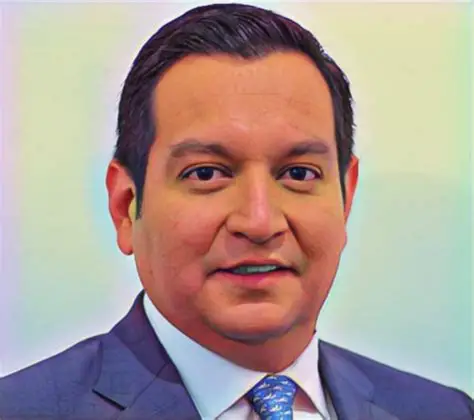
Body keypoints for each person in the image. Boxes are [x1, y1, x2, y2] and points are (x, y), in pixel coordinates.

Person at [0, 3, 472, 420]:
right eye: (207, 174)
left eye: (299, 173)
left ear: (345, 198)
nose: (260, 222)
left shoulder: (442, 411)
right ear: (126, 207)